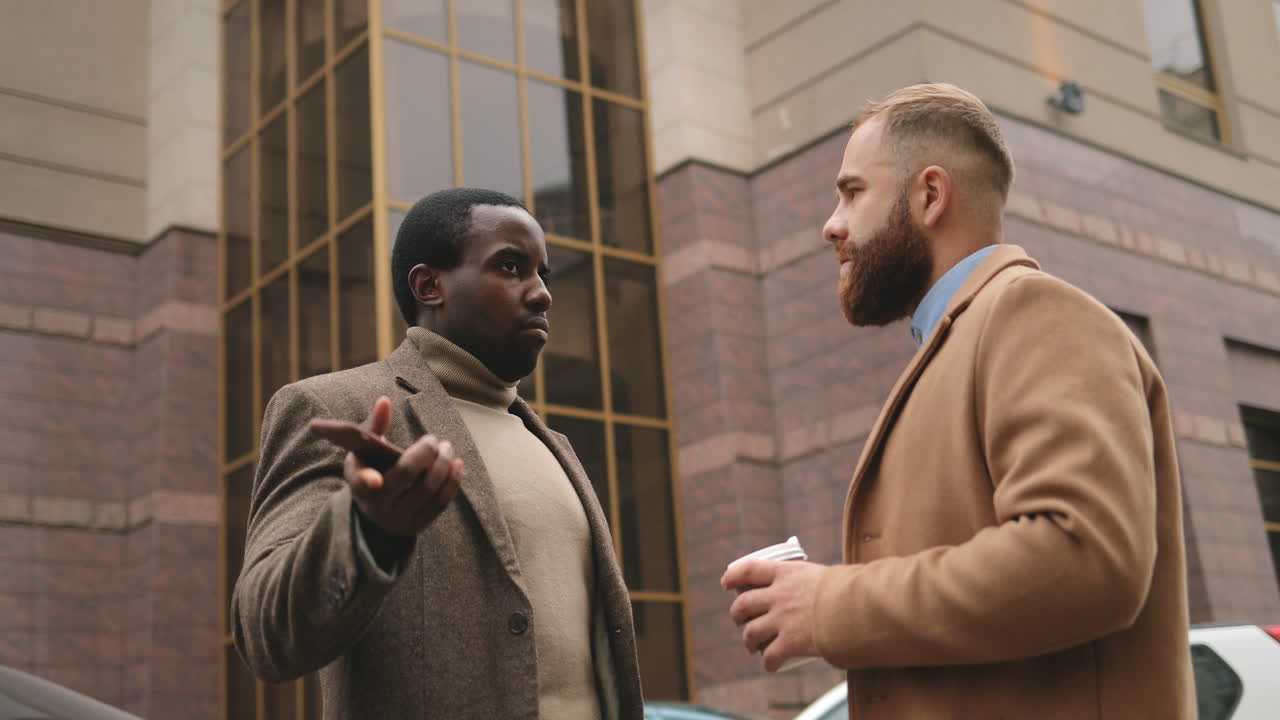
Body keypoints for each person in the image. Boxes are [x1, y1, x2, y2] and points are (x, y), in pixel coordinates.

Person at [720, 84, 1194, 718]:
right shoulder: (965, 338)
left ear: (930, 196)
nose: (831, 224)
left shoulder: (1033, 312)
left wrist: (832, 605)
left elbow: (1083, 560)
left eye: (853, 191)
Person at [233, 187, 644, 720]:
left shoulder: (553, 446)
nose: (542, 293)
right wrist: (367, 532)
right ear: (430, 285)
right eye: (512, 267)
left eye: (543, 272)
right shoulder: (336, 406)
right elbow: (264, 633)